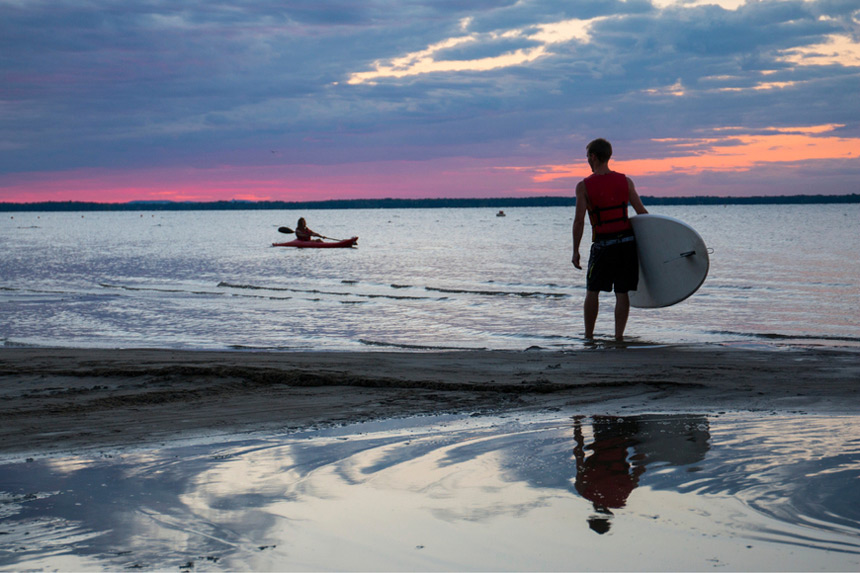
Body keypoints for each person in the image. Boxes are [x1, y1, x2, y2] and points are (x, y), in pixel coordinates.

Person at [572, 138, 648, 341]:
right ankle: (618, 337)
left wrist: (575, 250)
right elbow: (642, 213)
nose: (587, 160)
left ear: (593, 157)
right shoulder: (626, 181)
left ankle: (589, 336)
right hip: (627, 245)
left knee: (592, 290)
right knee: (622, 292)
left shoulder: (584, 186)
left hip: (603, 245)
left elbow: (579, 221)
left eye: (587, 156)